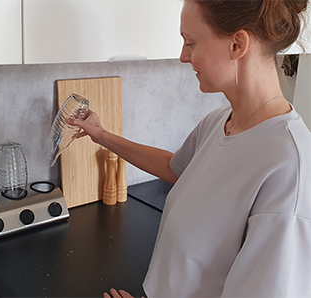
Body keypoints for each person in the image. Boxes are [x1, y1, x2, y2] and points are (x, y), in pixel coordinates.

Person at [67, 0, 311, 297]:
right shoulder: (220, 121)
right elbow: (174, 168)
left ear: (237, 45)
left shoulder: (288, 166)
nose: (183, 56)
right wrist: (101, 134)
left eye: (190, 43)